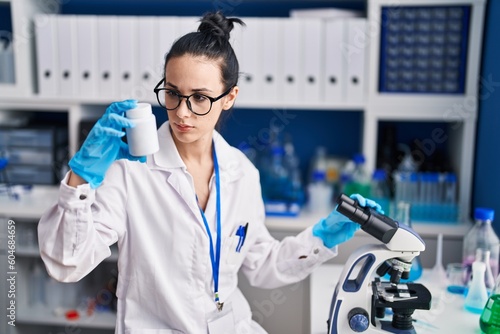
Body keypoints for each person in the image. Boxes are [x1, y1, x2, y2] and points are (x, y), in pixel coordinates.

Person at [38, 11, 382, 333]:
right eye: (172, 94)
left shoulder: (242, 173)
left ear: (229, 97)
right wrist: (80, 178)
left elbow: (262, 266)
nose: (182, 113)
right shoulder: (129, 171)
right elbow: (68, 264)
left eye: (200, 98)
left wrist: (323, 235)